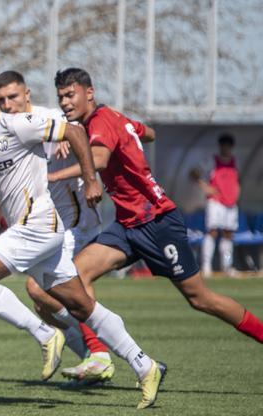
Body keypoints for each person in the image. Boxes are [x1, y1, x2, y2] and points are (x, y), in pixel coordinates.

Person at [0, 71, 164, 409]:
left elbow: (75, 131)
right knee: (82, 306)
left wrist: (91, 180)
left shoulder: (17, 124)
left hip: (38, 224)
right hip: (32, 231)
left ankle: (45, 334)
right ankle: (144, 364)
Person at [48, 67, 263, 344]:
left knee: (200, 298)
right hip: (127, 225)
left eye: (70, 95)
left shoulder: (101, 121)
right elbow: (149, 133)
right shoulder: (112, 118)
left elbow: (99, 160)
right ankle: (99, 354)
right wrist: (125, 135)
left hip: (157, 221)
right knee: (75, 276)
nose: (65, 103)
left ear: (89, 93)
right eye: (61, 97)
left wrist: (52, 175)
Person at [0, 70, 115, 385]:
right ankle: (95, 357)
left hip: (77, 224)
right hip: (49, 228)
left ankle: (100, 353)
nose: (8, 104)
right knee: (43, 304)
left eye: (13, 97)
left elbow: (79, 132)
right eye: (2, 100)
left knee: (42, 288)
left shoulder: (50, 119)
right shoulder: (5, 133)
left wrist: (70, 139)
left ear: (27, 94)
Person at [193, 134, 241, 277]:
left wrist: (237, 192)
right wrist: (205, 187)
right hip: (216, 202)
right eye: (224, 145)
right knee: (212, 232)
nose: (226, 149)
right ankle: (206, 266)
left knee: (228, 234)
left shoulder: (235, 162)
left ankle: (227, 266)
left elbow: (237, 180)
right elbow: (194, 173)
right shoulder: (211, 161)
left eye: (228, 146)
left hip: (231, 203)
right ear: (220, 146)